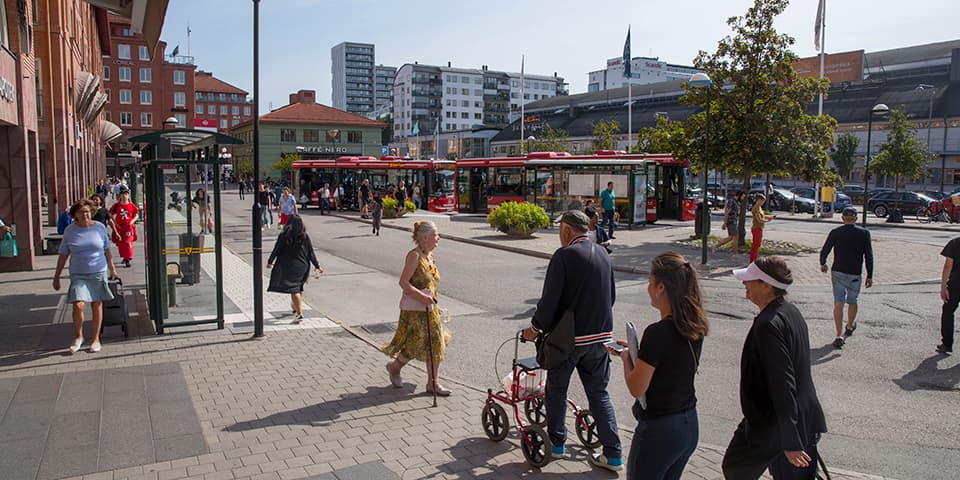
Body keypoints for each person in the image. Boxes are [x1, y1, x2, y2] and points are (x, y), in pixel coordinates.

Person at [522, 210, 623, 472]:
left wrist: (534, 329)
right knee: (599, 394)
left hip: (569, 340)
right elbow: (610, 296)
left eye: (559, 230)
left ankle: (556, 445)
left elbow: (549, 302)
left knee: (556, 390)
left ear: (567, 230)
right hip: (600, 338)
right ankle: (613, 454)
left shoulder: (564, 255)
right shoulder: (603, 253)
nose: (559, 235)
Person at [724, 257, 827, 480]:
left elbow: (782, 383)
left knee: (736, 468)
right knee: (736, 467)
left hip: (777, 425)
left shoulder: (769, 324)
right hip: (790, 419)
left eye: (749, 280)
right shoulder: (790, 311)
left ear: (767, 285)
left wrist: (790, 440)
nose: (744, 285)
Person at [608, 252, 708, 480]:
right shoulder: (695, 325)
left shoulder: (657, 333)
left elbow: (637, 388)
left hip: (660, 429)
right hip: (689, 423)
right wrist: (641, 355)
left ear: (661, 287)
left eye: (650, 283)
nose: (648, 288)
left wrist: (626, 358)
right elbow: (670, 364)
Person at [384, 221, 451, 395]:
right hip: (415, 311)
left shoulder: (430, 255)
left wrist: (432, 300)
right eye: (436, 235)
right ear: (424, 237)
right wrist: (421, 297)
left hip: (430, 309)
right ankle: (394, 367)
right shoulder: (414, 256)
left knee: (435, 343)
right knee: (414, 345)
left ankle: (433, 383)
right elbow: (403, 282)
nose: (439, 238)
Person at [53, 199, 119, 354]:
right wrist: (57, 276)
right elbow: (63, 254)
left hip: (98, 270)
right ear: (75, 215)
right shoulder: (70, 231)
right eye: (81, 212)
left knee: (96, 304)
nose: (85, 215)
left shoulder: (99, 227)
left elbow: (107, 250)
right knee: (78, 304)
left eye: (88, 211)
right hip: (78, 273)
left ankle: (95, 339)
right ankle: (78, 336)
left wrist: (113, 270)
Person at [819, 207, 874, 349]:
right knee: (853, 300)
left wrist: (823, 263)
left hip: (838, 270)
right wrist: (870, 275)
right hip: (855, 272)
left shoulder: (836, 232)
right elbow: (869, 255)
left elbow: (825, 249)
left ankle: (838, 334)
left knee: (838, 302)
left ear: (842, 219)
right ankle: (849, 326)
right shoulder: (864, 234)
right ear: (855, 219)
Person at [267, 215, 322, 324]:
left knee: (294, 289)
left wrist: (270, 261)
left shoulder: (284, 236)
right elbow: (311, 252)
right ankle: (295, 306)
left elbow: (276, 250)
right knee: (298, 287)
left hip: (289, 266)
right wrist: (317, 265)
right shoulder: (304, 236)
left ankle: (299, 314)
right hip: (303, 266)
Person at [937, 236, 960, 355]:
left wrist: (943, 286)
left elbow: (948, 266)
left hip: (955, 285)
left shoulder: (954, 243)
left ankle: (947, 343)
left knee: (948, 311)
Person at [108, 187, 139, 268]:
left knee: (127, 242)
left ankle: (128, 258)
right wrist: (114, 222)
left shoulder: (131, 205)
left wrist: (132, 221)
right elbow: (110, 214)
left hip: (128, 227)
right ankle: (125, 257)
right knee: (120, 243)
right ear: (120, 196)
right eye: (123, 194)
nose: (124, 196)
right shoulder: (117, 205)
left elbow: (136, 214)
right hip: (119, 227)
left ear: (128, 195)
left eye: (126, 194)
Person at [749, 194, 775, 263]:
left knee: (757, 245)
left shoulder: (759, 207)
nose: (763, 202)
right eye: (763, 201)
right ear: (759, 200)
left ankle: (754, 259)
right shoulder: (756, 208)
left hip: (759, 228)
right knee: (755, 245)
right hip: (756, 228)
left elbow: (762, 216)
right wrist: (767, 220)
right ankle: (752, 261)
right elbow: (759, 220)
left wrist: (769, 217)